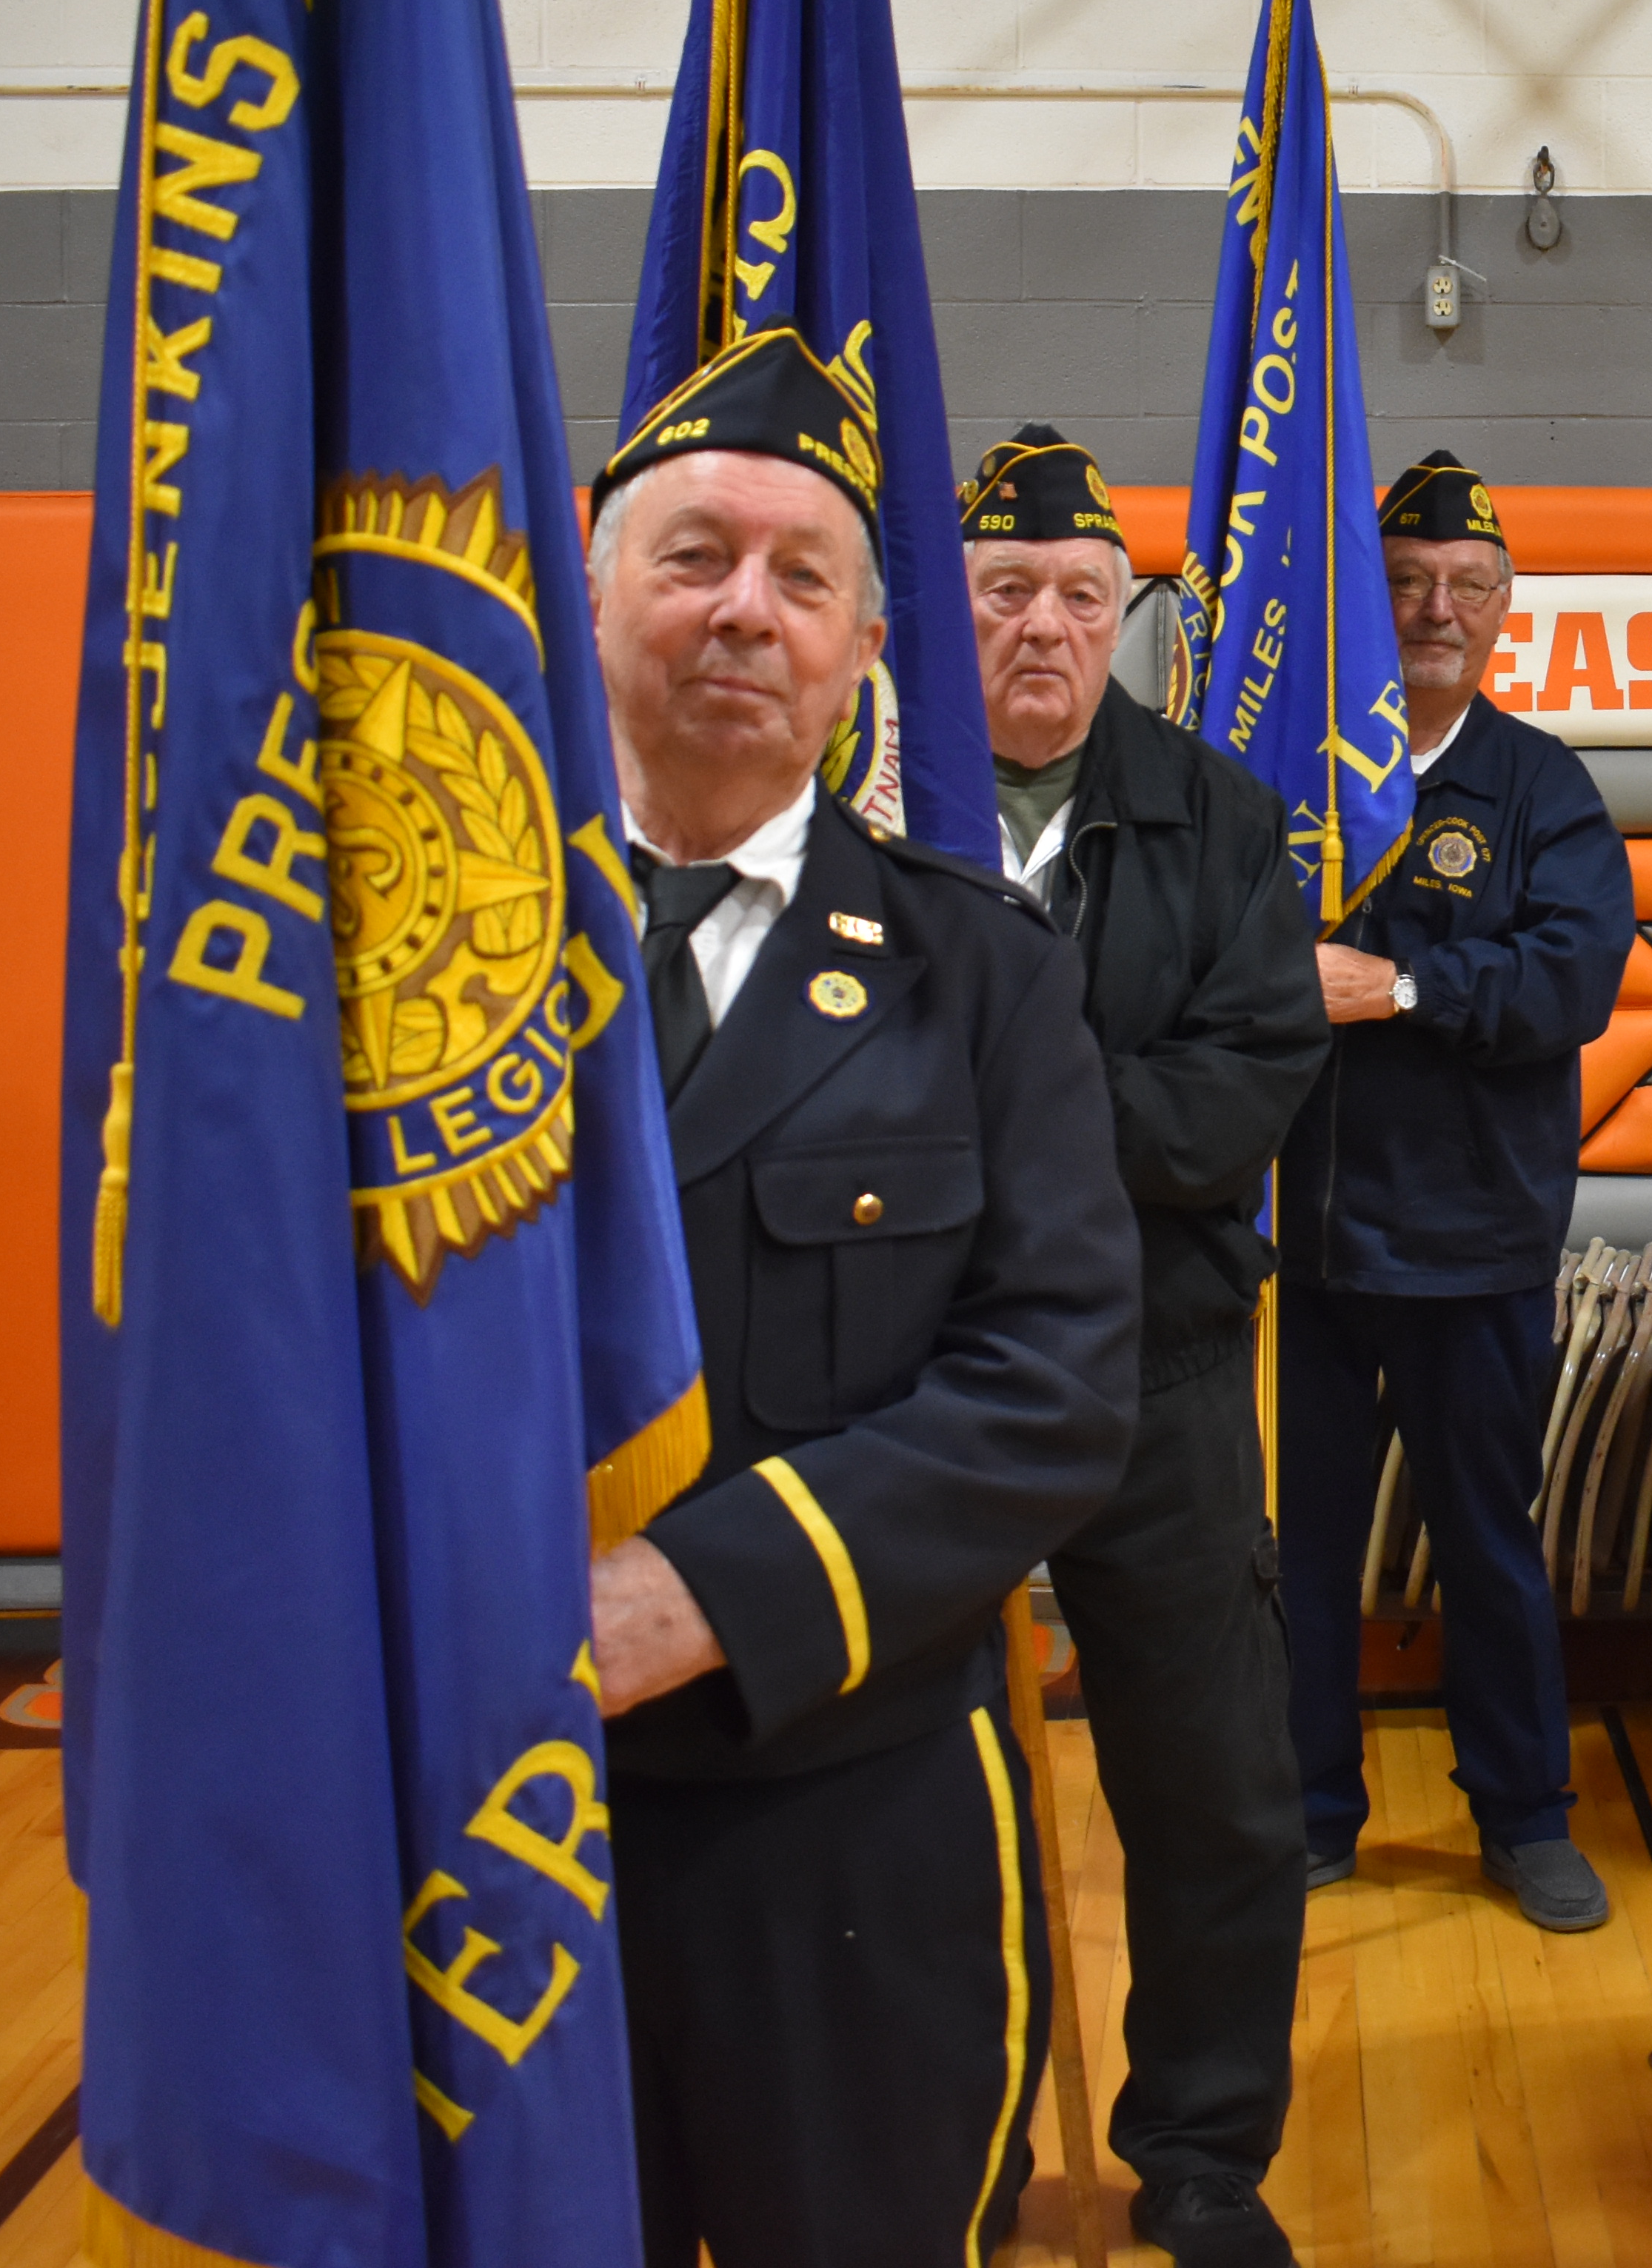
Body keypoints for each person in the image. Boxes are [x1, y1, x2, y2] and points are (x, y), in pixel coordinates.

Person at [575, 330, 1142, 2268]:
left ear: (861, 647)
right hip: (493, 1834)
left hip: (848, 1817)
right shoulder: (431, 979)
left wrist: (692, 1595)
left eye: (801, 575)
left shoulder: (978, 975)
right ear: (592, 592)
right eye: (692, 556)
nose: (745, 609)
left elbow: (1058, 1384)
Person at [960, 426, 1331, 2268]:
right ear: (939, 616)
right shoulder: (860, 811)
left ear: (1128, 618)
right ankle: (942, 2129)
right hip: (909, 1384)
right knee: (906, 1788)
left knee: (1217, 1792)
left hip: (1155, 1366)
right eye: (1006, 592)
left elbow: (1239, 1100)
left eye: (1080, 597)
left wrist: (995, 1115)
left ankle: (1201, 2153)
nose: (1043, 624)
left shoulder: (1220, 812)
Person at [1272, 449, 1638, 1934]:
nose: (1435, 608)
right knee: (1292, 1550)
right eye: (1407, 583)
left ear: (1505, 609)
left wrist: (1402, 979)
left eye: (1465, 586)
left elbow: (1575, 977)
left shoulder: (1539, 784)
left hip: (1475, 1240)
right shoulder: (1287, 776)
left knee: (1490, 1538)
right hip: (1298, 1241)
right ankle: (1306, 1808)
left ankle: (1524, 1812)